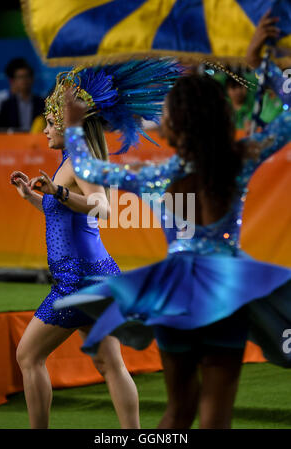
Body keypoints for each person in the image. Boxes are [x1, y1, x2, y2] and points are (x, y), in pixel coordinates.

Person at [54, 45, 291, 429]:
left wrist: (76, 127)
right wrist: (265, 65)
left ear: (175, 124)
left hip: (174, 291)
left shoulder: (155, 175)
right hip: (227, 290)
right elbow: (287, 120)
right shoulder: (240, 159)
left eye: (164, 113)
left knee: (179, 410)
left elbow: (86, 166)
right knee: (217, 415)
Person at [9, 59, 182, 429]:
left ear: (70, 124)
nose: (46, 131)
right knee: (109, 363)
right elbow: (66, 213)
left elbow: (101, 207)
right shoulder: (73, 160)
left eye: (52, 124)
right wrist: (33, 197)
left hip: (78, 281)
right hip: (98, 275)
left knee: (27, 356)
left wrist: (56, 190)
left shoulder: (78, 162)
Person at [0, 58, 44, 131]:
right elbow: (1, 130)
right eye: (20, 77)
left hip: (37, 140)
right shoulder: (6, 105)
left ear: (32, 79)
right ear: (14, 81)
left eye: (27, 76)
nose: (24, 80)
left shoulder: (42, 103)